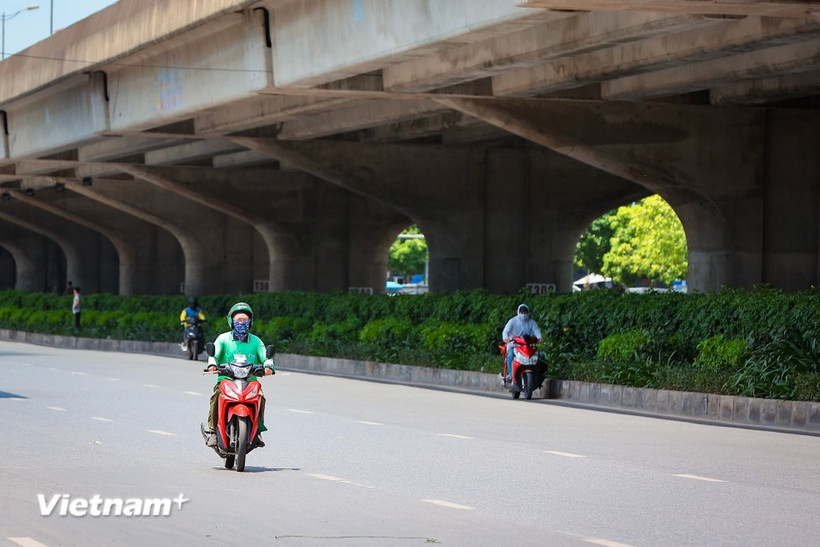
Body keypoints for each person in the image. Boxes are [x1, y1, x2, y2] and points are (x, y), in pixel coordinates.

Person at [204, 302, 275, 448]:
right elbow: (214, 355)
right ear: (231, 321)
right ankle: (212, 431)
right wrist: (212, 364)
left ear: (250, 322)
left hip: (250, 381)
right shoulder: (223, 339)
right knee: (216, 396)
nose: (241, 323)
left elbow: (265, 356)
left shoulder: (256, 341)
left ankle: (257, 431)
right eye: (238, 320)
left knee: (260, 397)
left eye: (244, 320)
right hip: (226, 379)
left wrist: (268, 366)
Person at [501, 303, 543, 389]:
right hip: (514, 345)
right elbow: (505, 332)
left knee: (541, 356)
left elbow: (536, 330)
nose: (524, 314)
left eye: (525, 312)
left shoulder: (531, 322)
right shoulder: (512, 321)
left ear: (528, 313)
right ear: (518, 312)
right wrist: (506, 338)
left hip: (527, 346)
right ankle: (511, 374)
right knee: (510, 356)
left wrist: (539, 338)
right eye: (522, 312)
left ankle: (539, 376)